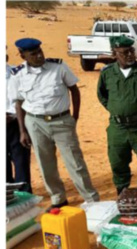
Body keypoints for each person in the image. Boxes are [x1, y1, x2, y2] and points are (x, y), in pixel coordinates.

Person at [9, 38, 100, 208]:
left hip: (62, 121)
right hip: (35, 123)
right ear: (23, 56)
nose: (38, 56)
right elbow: (18, 103)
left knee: (75, 163)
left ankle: (91, 199)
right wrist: (22, 131)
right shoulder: (17, 74)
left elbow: (74, 89)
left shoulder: (58, 67)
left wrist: (75, 117)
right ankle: (58, 198)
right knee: (45, 164)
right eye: (33, 54)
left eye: (40, 52)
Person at [97, 36, 137, 201]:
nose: (130, 55)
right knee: (118, 162)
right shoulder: (107, 73)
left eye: (131, 51)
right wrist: (116, 110)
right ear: (114, 54)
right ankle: (122, 194)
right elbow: (103, 95)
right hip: (117, 128)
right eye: (124, 52)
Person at [6, 52, 32, 193]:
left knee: (21, 160)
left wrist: (11, 114)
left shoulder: (17, 73)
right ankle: (7, 195)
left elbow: (23, 98)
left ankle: (24, 194)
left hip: (16, 122)